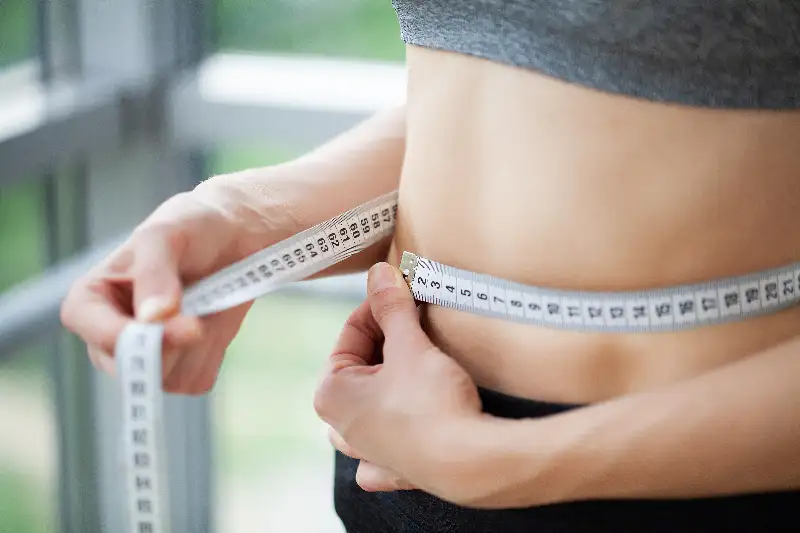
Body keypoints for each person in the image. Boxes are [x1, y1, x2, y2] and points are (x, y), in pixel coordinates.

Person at [61, 1, 800, 531]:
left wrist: (506, 461)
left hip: (697, 478)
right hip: (405, 471)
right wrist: (247, 216)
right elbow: (513, 84)